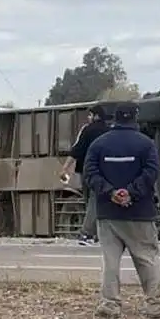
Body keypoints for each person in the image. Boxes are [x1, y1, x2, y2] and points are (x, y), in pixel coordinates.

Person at [84, 102, 160, 319]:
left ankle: (110, 304)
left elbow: (90, 173)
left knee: (110, 262)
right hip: (139, 213)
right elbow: (151, 173)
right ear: (135, 118)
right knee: (147, 258)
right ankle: (154, 304)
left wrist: (111, 192)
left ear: (115, 118)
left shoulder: (99, 144)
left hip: (108, 213)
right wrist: (131, 192)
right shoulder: (146, 144)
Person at [59, 104, 111, 245]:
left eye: (90, 115)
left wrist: (65, 168)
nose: (88, 118)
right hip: (107, 171)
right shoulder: (109, 131)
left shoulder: (87, 130)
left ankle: (86, 233)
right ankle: (97, 234)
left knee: (91, 201)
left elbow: (76, 150)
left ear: (96, 116)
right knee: (99, 202)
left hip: (88, 171)